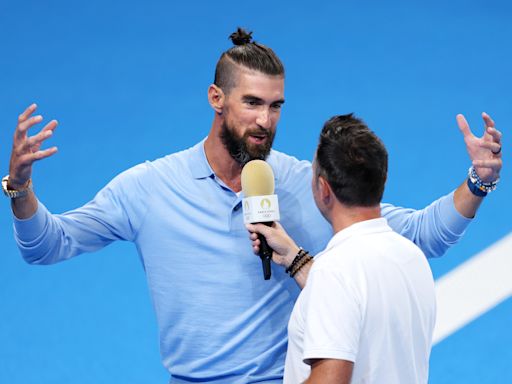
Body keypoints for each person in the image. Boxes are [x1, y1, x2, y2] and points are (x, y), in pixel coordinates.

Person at [3, 28, 502, 383]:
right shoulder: (147, 188)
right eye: (252, 103)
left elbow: (419, 234)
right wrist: (20, 188)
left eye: (276, 105)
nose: (266, 120)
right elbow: (48, 245)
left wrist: (477, 182)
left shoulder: (306, 185)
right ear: (216, 97)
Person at [248, 114, 437, 383]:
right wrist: (295, 259)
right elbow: (358, 305)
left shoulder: (334, 271)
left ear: (323, 189)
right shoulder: (412, 258)